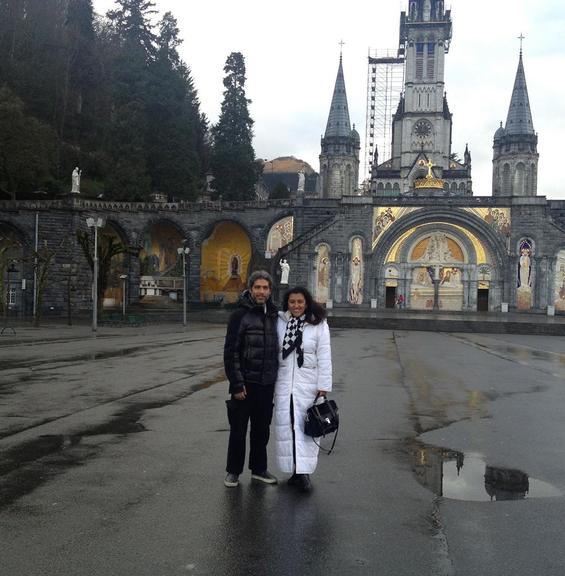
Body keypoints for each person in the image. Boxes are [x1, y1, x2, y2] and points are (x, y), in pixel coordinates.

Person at [223, 270, 279, 487]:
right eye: (258, 287)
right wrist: (237, 383)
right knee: (238, 430)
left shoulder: (274, 315)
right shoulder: (239, 316)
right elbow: (231, 352)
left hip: (266, 384)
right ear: (250, 289)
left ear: (270, 291)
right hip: (244, 385)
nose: (261, 292)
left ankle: (259, 469)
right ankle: (233, 472)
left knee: (261, 430)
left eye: (265, 288)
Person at [274, 286, 332, 492]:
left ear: (306, 303)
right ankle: (293, 471)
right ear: (287, 304)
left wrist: (323, 386)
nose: (296, 306)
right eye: (292, 302)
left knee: (306, 429)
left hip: (308, 384)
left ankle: (304, 473)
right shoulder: (281, 323)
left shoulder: (317, 324)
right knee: (287, 428)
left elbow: (324, 355)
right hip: (284, 384)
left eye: (300, 302)